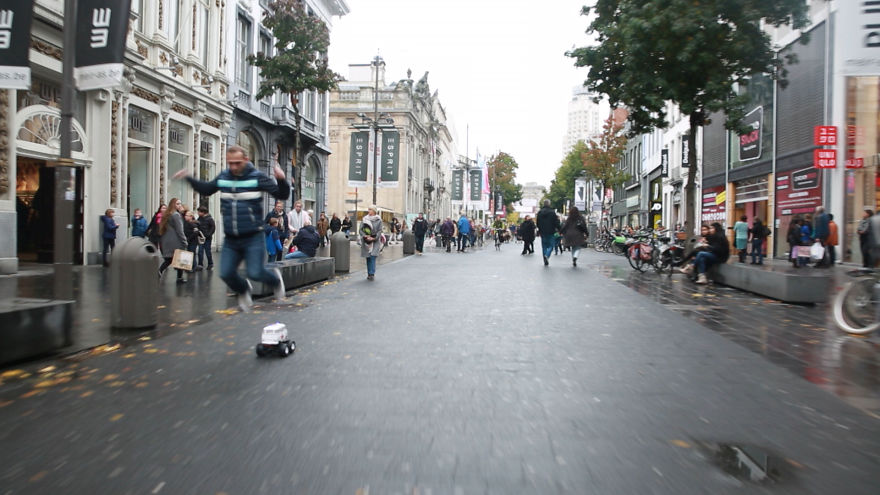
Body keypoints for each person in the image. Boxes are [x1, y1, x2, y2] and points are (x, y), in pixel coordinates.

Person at [173, 145, 290, 310]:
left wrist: (281, 180)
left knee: (255, 272)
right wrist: (188, 177)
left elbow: (282, 195)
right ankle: (244, 289)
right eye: (230, 163)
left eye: (237, 163)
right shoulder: (224, 177)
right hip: (231, 238)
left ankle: (276, 280)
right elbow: (206, 189)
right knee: (225, 273)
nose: (234, 167)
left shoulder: (256, 177)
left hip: (253, 237)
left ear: (246, 160)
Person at [158, 198, 188, 284]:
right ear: (173, 204)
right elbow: (180, 230)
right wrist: (184, 241)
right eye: (178, 204)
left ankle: (179, 277)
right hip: (176, 240)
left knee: (173, 259)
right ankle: (177, 277)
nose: (180, 205)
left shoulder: (167, 215)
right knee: (178, 259)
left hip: (167, 240)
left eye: (180, 204)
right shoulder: (176, 215)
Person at [360, 206, 383, 280]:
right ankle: (369, 273)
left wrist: (374, 238)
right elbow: (360, 230)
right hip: (366, 241)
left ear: (374, 211)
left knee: (373, 256)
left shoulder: (379, 220)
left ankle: (372, 273)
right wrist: (365, 236)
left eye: (370, 209)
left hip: (375, 241)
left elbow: (380, 231)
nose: (368, 210)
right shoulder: (364, 219)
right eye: (368, 209)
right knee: (368, 257)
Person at [536, 199, 560, 266]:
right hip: (551, 231)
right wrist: (559, 229)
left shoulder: (540, 212)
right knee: (551, 246)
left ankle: (544, 258)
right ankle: (547, 255)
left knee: (544, 246)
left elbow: (537, 222)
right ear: (549, 204)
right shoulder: (552, 212)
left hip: (543, 232)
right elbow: (556, 222)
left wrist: (539, 229)